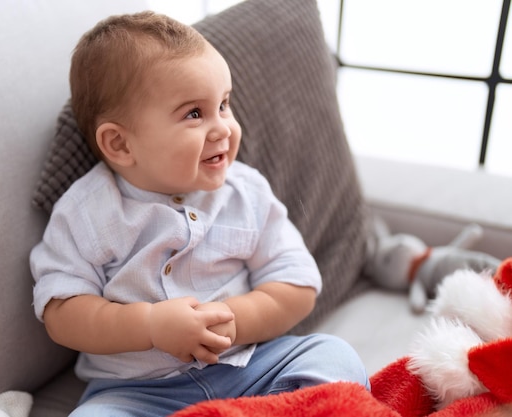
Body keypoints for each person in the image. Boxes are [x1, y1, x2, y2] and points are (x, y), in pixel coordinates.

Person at [30, 11, 369, 417]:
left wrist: (235, 322)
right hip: (138, 393)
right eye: (194, 113)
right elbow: (63, 313)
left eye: (224, 104)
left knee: (334, 357)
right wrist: (150, 325)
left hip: (251, 369)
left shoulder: (245, 192)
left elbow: (296, 284)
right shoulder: (87, 213)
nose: (223, 127)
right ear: (119, 144)